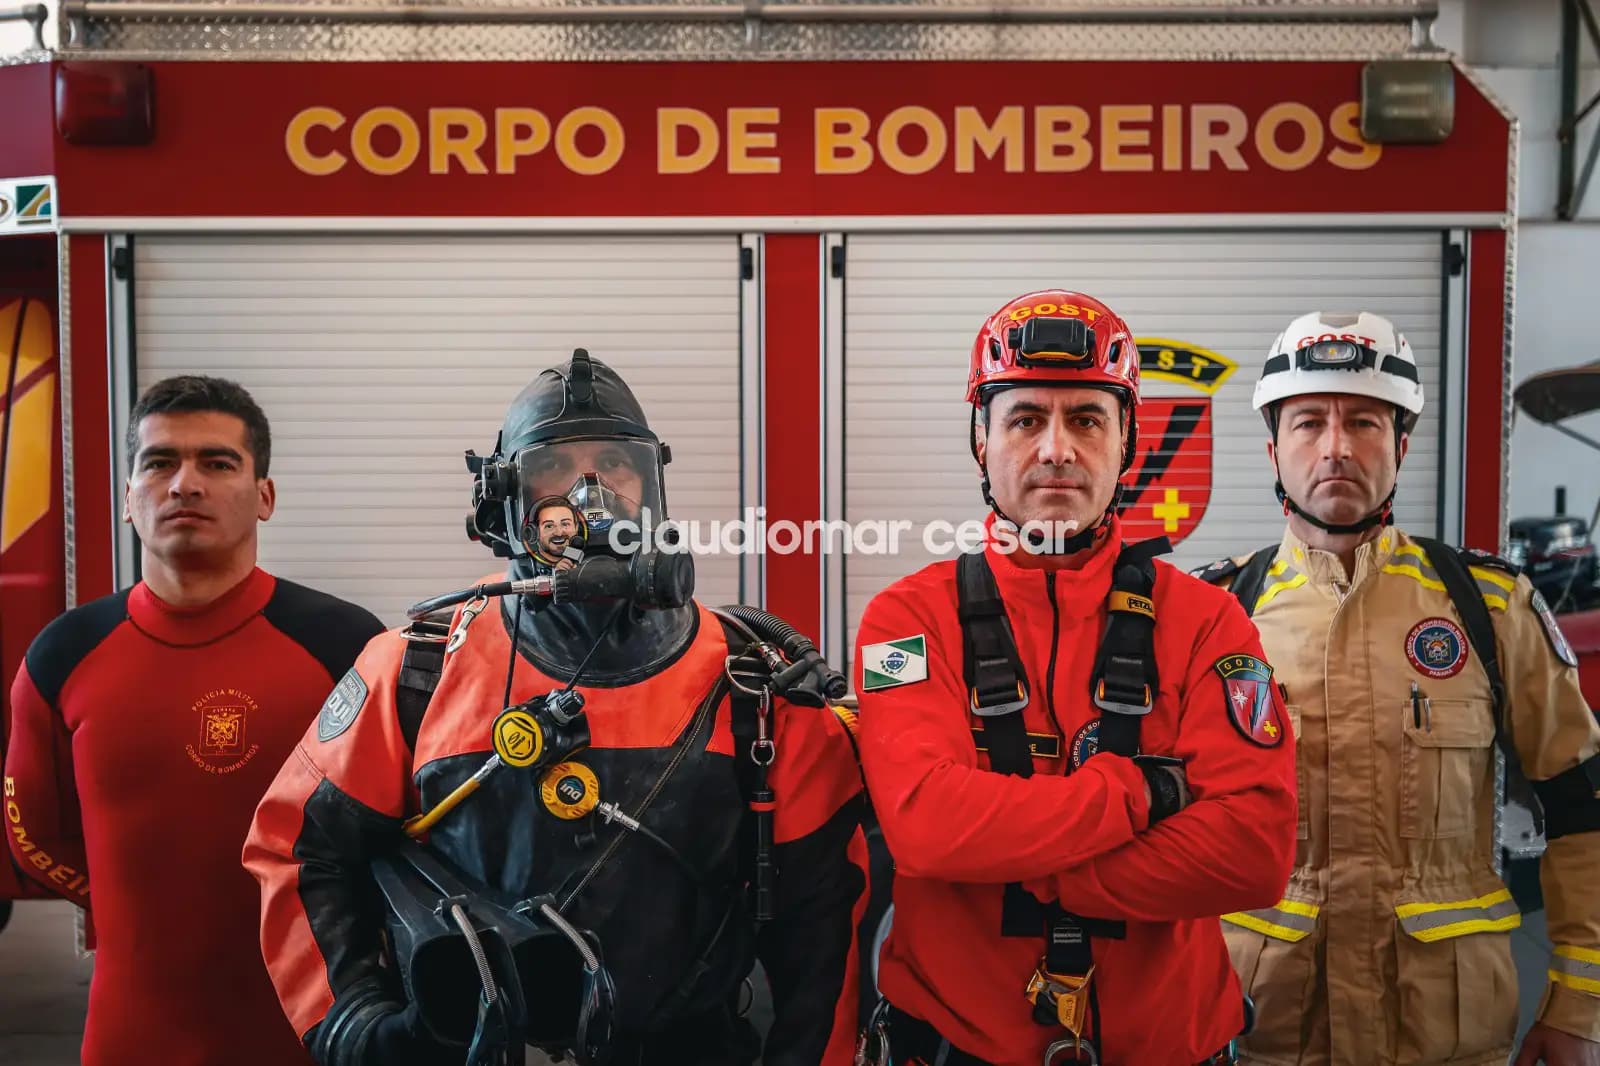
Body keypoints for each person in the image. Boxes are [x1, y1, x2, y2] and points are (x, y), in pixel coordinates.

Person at [244, 348, 868, 1066]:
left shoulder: (757, 685)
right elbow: (298, 849)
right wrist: (354, 1020)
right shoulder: (415, 671)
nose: (590, 495)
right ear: (502, 504)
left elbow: (822, 920)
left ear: (653, 490)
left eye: (616, 467)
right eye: (555, 472)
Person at [853, 290, 1300, 1066]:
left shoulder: (1210, 624)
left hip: (1170, 1043)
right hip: (958, 1044)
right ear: (981, 441)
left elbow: (1254, 850)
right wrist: (1141, 795)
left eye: (1087, 419)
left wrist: (1051, 874)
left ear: (1127, 443)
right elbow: (924, 825)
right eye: (1025, 418)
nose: (1056, 448)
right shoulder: (904, 623)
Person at [1199, 311, 1600, 1066]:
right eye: (1309, 422)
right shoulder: (1216, 615)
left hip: (1445, 1035)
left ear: (1402, 444)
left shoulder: (1488, 608)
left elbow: (1584, 805)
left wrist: (1579, 1005)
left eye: (1365, 422)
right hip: (1263, 1027)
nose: (1337, 447)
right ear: (1273, 448)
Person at [3, 375, 384, 1066]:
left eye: (216, 462)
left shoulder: (347, 647)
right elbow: (34, 836)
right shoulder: (63, 656)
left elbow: (399, 830)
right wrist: (141, 905)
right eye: (158, 462)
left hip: (312, 1040)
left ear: (264, 497)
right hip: (130, 1037)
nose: (184, 483)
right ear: (128, 499)